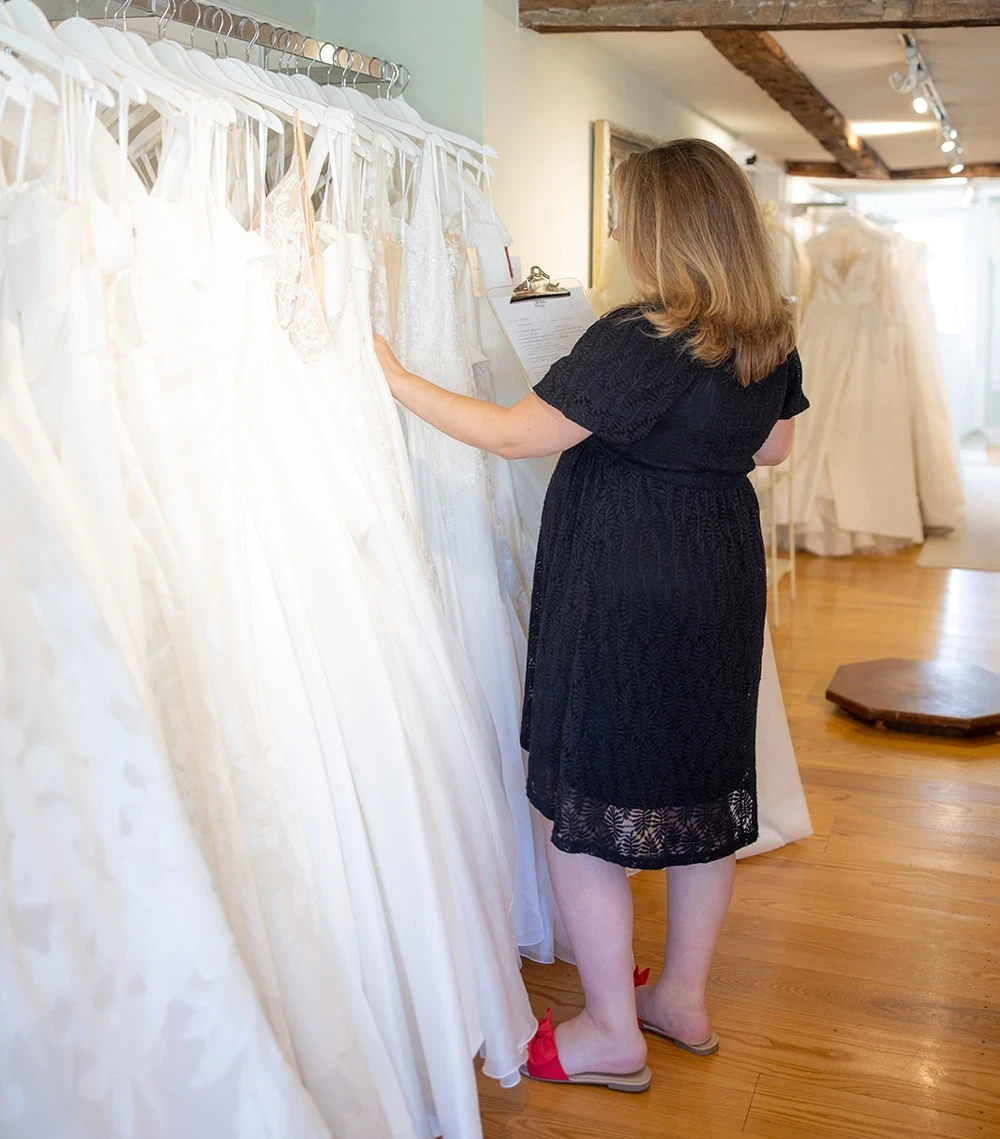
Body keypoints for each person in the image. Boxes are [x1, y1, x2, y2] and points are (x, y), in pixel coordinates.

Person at [374, 138, 808, 1094]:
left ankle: (612, 1029)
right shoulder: (765, 329)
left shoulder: (639, 334)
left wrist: (395, 378)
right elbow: (772, 446)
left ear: (658, 229)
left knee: (588, 792)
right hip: (720, 571)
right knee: (702, 784)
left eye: (623, 215)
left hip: (625, 576)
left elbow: (511, 434)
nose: (614, 229)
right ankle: (680, 999)